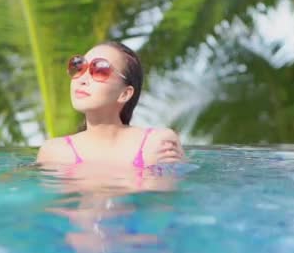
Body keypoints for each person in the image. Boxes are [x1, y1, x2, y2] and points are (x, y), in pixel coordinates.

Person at [36, 41, 185, 170]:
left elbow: (164, 199)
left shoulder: (157, 143)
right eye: (79, 66)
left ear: (125, 94)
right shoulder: (55, 152)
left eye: (100, 70)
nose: (82, 79)